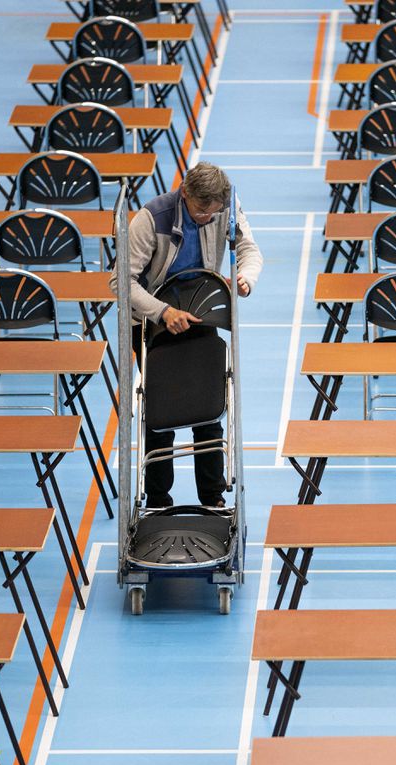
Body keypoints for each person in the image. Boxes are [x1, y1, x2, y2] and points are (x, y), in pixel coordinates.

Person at [113, 162, 263, 508]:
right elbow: (120, 282)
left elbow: (249, 249)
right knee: (161, 410)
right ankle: (158, 498)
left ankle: (212, 497)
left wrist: (245, 278)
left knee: (209, 407)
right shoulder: (151, 220)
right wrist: (163, 313)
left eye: (213, 214)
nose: (206, 218)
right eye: (200, 212)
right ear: (185, 193)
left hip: (201, 311)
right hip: (153, 321)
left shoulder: (225, 206)